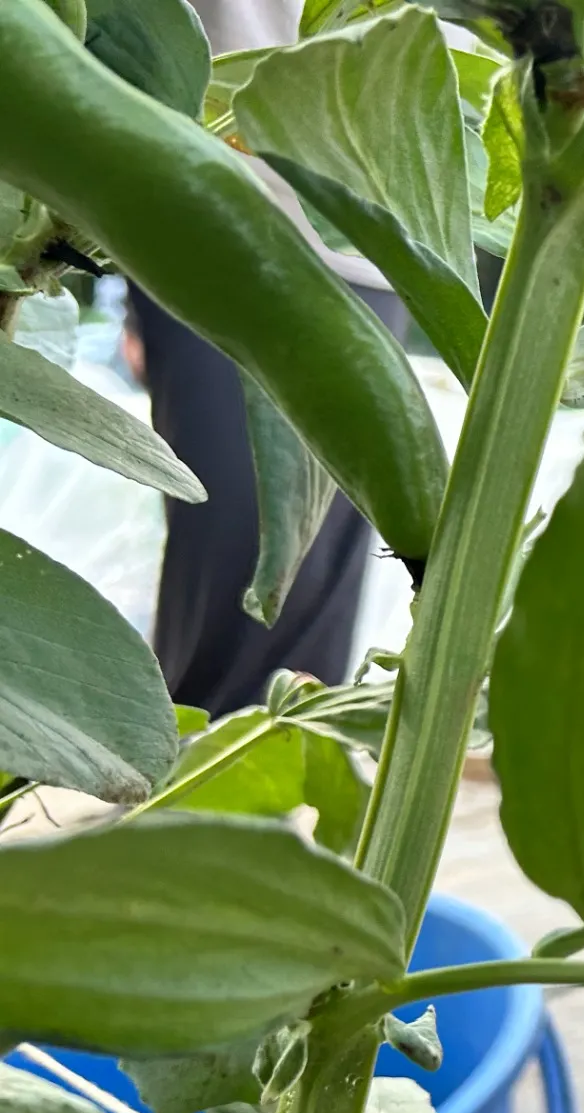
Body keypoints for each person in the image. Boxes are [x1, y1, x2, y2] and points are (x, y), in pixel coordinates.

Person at [124, 0, 405, 718]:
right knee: (236, 541)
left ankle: (278, 756)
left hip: (373, 231)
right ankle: (202, 756)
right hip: (214, 207)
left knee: (325, 562)